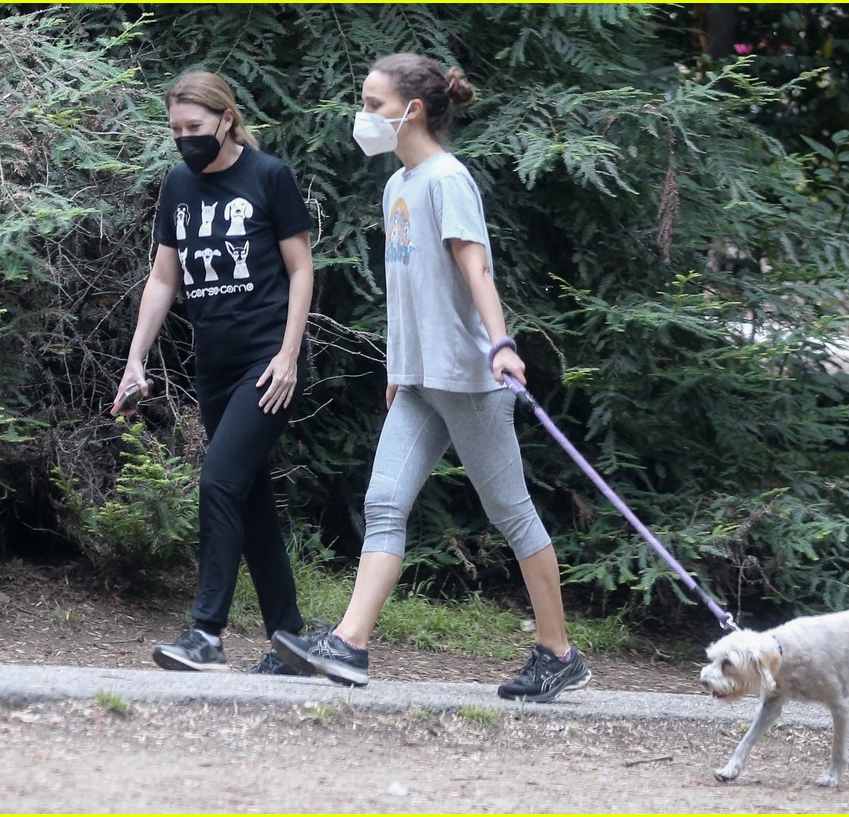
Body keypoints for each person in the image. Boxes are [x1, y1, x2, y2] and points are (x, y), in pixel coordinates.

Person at [273, 53, 591, 703]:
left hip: (467, 376)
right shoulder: (397, 186)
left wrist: (501, 343)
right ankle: (351, 645)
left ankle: (559, 653)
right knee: (384, 503)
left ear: (412, 110)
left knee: (511, 513)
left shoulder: (448, 178)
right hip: (419, 379)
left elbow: (477, 270)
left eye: (374, 105)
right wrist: (398, 366)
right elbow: (406, 292)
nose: (364, 117)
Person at [113, 71, 314, 676]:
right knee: (248, 500)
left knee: (219, 483)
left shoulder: (268, 176)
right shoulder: (179, 183)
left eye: (194, 128)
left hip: (265, 364)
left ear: (226, 120)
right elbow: (164, 277)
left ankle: (206, 634)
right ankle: (292, 640)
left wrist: (287, 355)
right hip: (214, 367)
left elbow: (302, 271)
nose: (184, 139)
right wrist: (135, 358)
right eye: (176, 129)